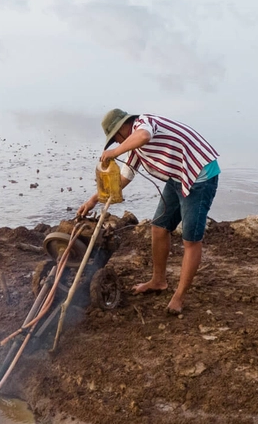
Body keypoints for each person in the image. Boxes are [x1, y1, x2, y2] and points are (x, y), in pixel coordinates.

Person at [78, 108, 219, 314]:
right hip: (177, 177)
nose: (117, 144)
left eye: (116, 139)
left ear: (121, 128)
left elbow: (144, 135)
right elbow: (124, 177)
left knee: (190, 240)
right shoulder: (135, 147)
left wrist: (114, 153)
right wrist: (92, 201)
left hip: (200, 177)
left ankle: (179, 297)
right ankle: (158, 281)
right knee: (159, 228)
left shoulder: (144, 123)